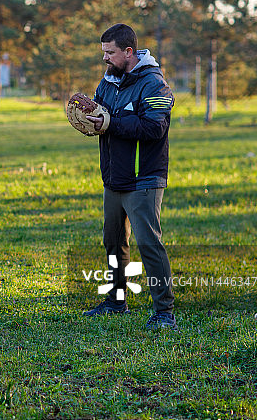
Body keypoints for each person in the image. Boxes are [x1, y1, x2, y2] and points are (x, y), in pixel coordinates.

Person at [83, 23, 178, 331]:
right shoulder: (108, 81)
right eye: (103, 53)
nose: (105, 59)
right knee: (112, 242)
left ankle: (164, 312)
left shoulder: (153, 83)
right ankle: (115, 300)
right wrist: (90, 116)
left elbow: (154, 128)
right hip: (114, 178)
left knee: (149, 243)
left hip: (144, 179)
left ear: (128, 52)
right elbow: (102, 116)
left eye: (110, 53)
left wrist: (109, 122)